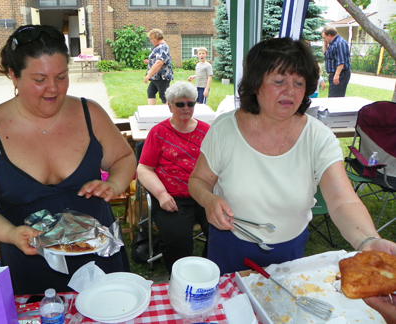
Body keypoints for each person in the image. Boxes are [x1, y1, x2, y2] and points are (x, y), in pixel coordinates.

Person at [0, 25, 136, 295]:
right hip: (30, 263)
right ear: (13, 75)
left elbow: (123, 157)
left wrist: (116, 183)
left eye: (61, 77)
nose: (53, 89)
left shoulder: (90, 113)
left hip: (98, 257)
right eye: (39, 79)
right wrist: (11, 234)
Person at [188, 37, 396, 275]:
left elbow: (342, 200)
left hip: (289, 249)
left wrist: (368, 241)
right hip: (229, 243)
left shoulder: (318, 137)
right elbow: (198, 181)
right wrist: (209, 200)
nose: (289, 91)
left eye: (299, 83)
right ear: (256, 84)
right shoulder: (225, 128)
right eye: (279, 81)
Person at [137, 81, 210, 274]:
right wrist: (161, 194)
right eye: (180, 104)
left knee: (222, 232)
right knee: (178, 239)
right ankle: (180, 276)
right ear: (169, 106)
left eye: (191, 103)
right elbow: (144, 168)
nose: (186, 108)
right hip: (172, 197)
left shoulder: (206, 131)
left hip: (204, 193)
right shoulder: (158, 132)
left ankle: (209, 270)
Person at [143, 29, 174, 105]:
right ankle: (151, 113)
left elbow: (159, 63)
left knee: (164, 97)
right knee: (150, 92)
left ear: (155, 38)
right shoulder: (159, 47)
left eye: (151, 39)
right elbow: (157, 60)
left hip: (161, 77)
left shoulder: (163, 47)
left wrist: (148, 75)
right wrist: (149, 62)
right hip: (155, 77)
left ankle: (168, 114)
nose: (151, 41)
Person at [322, 26, 351, 97]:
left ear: (329, 35)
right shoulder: (332, 44)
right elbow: (325, 53)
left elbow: (341, 62)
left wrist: (337, 75)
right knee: (333, 96)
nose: (324, 39)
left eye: (324, 37)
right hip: (333, 74)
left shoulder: (339, 43)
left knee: (334, 98)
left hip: (340, 74)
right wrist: (325, 43)